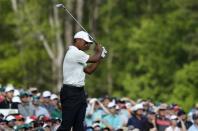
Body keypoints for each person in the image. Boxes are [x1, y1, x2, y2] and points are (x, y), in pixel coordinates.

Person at [57, 31, 105, 131]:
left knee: (79, 125)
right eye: (86, 42)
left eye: (88, 43)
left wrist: (100, 57)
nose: (87, 45)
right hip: (70, 92)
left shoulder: (80, 55)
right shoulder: (74, 53)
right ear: (77, 40)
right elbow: (94, 58)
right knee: (66, 125)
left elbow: (89, 70)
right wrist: (99, 52)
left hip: (80, 93)